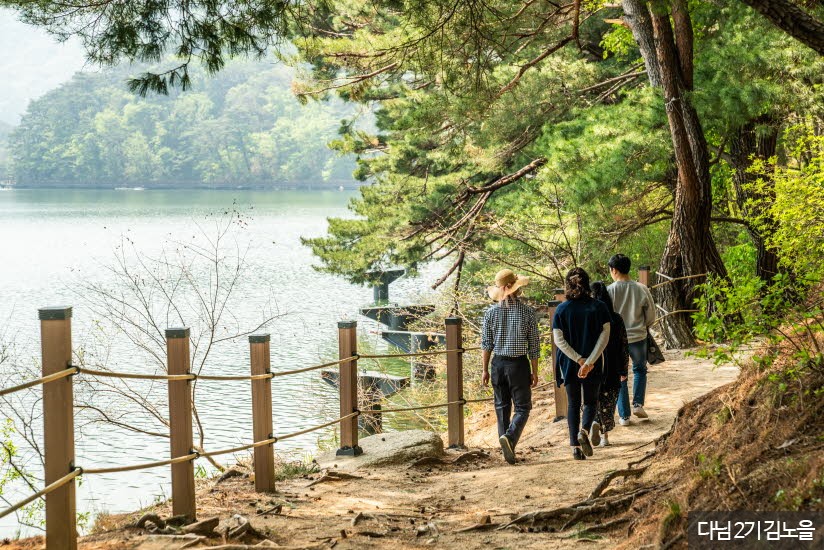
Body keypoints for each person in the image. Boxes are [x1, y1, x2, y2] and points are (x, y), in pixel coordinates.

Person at [481, 269, 540, 465]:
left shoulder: (490, 313)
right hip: (518, 364)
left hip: (498, 363)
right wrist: (535, 371)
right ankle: (511, 438)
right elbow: (534, 345)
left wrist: (485, 370)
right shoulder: (528, 312)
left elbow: (486, 344)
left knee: (501, 407)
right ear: (517, 288)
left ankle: (506, 444)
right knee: (523, 407)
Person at [553, 267, 611, 460]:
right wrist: (589, 361)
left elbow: (558, 340)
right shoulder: (599, 307)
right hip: (593, 363)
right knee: (591, 402)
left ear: (567, 285)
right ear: (587, 283)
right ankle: (584, 431)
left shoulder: (561, 309)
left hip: (569, 363)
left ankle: (575, 448)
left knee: (573, 404)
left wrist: (578, 359)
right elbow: (605, 336)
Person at [607, 254, 656, 424]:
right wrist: (643, 326)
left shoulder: (609, 290)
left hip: (616, 340)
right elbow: (651, 315)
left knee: (620, 375)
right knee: (640, 370)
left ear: (614, 270)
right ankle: (637, 404)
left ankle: (624, 415)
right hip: (638, 336)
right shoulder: (641, 288)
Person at [590, 281, 629, 446]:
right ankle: (605, 436)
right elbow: (623, 345)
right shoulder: (616, 318)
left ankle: (593, 422)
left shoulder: (588, 319)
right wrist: (624, 368)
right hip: (612, 365)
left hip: (591, 364)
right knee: (608, 400)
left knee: (592, 398)